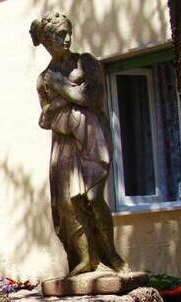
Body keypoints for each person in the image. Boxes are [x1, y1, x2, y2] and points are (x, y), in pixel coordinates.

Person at [31, 12, 129, 276]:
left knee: (94, 198)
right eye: (60, 35)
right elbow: (45, 118)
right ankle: (84, 260)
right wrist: (66, 99)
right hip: (63, 144)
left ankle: (112, 257)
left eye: (68, 33)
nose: (67, 39)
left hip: (92, 135)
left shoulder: (86, 63)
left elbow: (93, 98)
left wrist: (61, 90)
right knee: (67, 204)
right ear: (48, 41)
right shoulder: (42, 79)